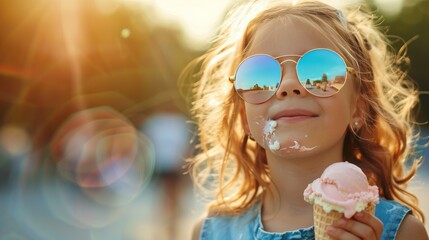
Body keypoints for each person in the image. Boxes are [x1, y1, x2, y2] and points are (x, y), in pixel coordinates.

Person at [185, 0, 429, 239]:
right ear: (244, 118)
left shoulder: (401, 232)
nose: (289, 85)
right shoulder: (211, 233)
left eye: (317, 70)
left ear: (358, 108)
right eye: (260, 74)